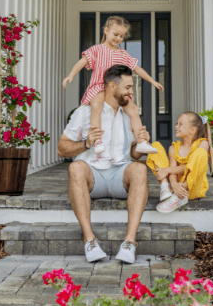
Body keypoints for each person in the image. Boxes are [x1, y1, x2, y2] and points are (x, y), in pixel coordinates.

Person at [58, 65, 150, 264]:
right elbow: (62, 148)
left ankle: (129, 242)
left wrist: (142, 143)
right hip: (93, 177)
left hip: (119, 175)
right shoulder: (84, 113)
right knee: (76, 167)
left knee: (140, 169)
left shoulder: (129, 114)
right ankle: (89, 239)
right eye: (127, 87)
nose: (131, 92)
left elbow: (134, 156)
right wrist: (86, 143)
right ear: (112, 87)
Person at [62, 15, 163, 155]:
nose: (118, 38)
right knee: (96, 106)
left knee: (133, 109)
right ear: (106, 30)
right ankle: (97, 141)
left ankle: (141, 142)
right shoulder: (96, 49)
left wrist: (152, 81)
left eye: (121, 36)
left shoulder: (123, 54)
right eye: (115, 34)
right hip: (99, 86)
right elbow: (83, 61)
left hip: (117, 90)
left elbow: (137, 68)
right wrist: (71, 75)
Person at [146, 112, 213, 213]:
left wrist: (168, 170)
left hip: (192, 189)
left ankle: (179, 196)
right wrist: (174, 184)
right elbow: (173, 171)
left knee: (200, 154)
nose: (176, 126)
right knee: (155, 145)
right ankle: (165, 186)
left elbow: (191, 166)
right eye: (177, 123)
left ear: (192, 130)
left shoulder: (202, 144)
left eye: (180, 124)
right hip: (175, 188)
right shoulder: (173, 148)